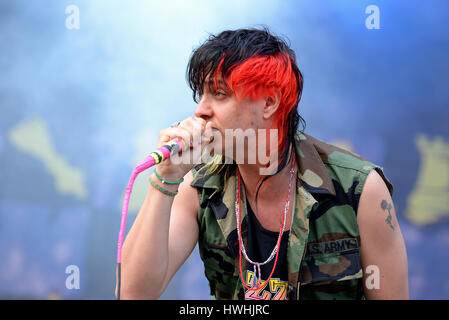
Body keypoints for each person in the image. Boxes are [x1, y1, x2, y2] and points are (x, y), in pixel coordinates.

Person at [117, 27, 409, 300]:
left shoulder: (358, 188)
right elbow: (132, 294)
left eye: (219, 93)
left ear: (269, 103)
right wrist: (165, 179)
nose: (200, 110)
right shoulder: (197, 188)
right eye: (201, 93)